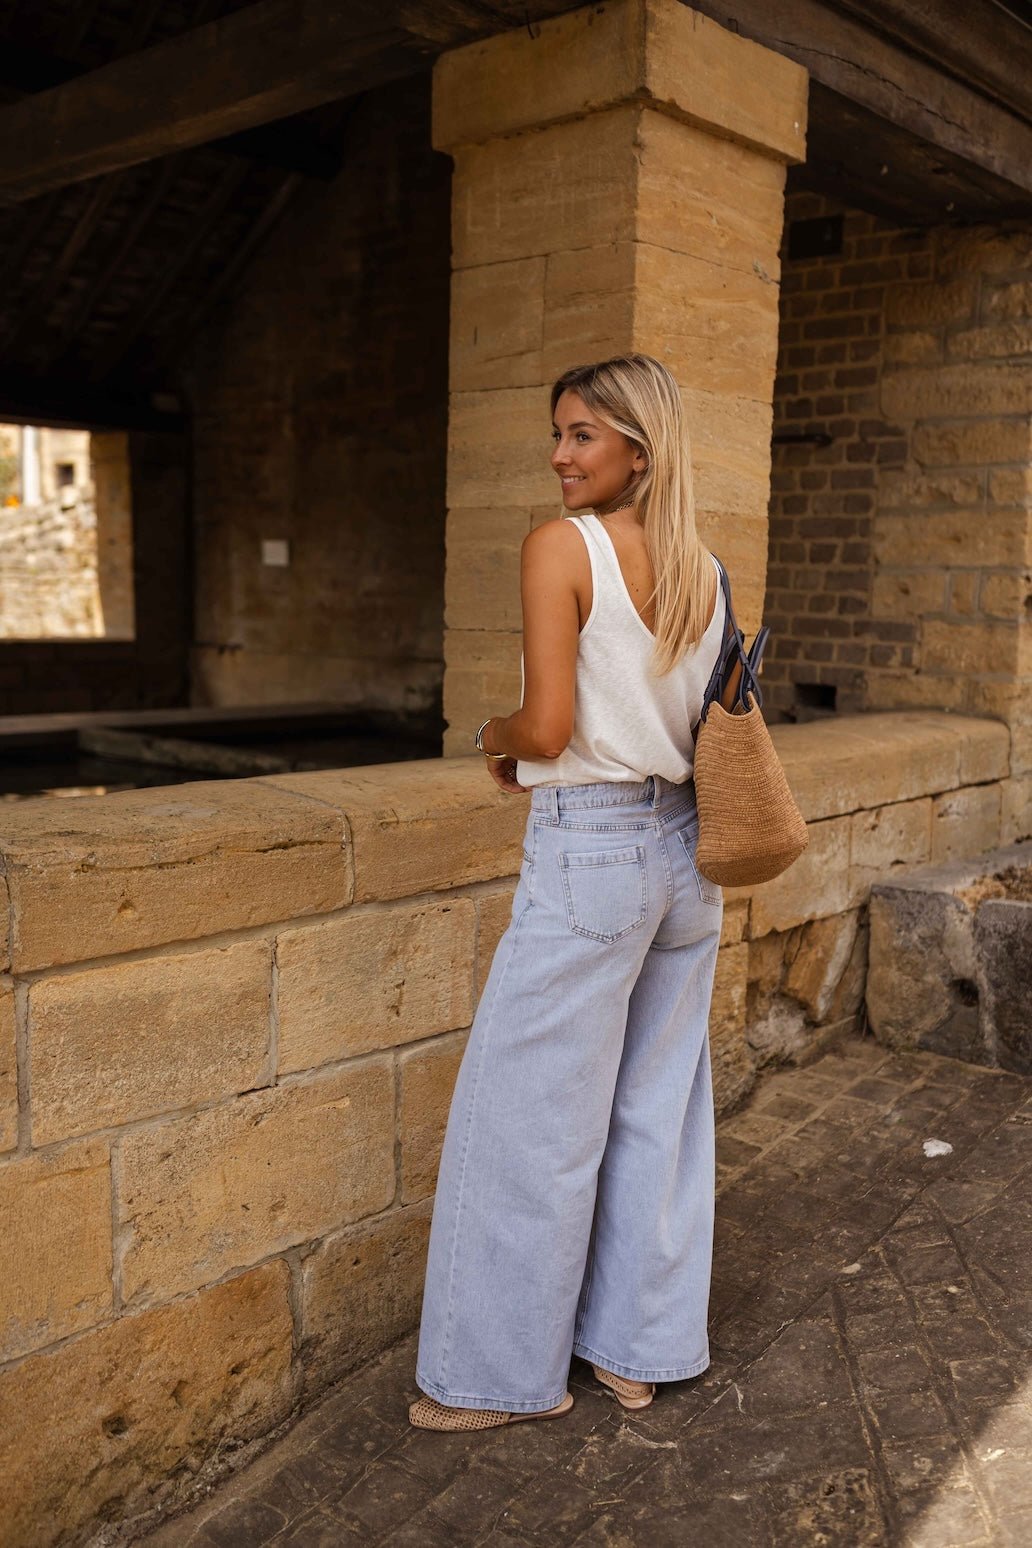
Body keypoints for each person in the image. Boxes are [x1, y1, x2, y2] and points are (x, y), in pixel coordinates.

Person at [409, 352, 727, 1431]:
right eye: (558, 434)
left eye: (582, 435)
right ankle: (640, 1353)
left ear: (639, 443)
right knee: (657, 1113)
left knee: (530, 1122)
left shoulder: (563, 549)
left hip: (592, 853)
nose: (559, 455)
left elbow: (546, 730)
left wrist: (495, 740)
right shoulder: (704, 566)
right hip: (686, 857)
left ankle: (498, 1379)